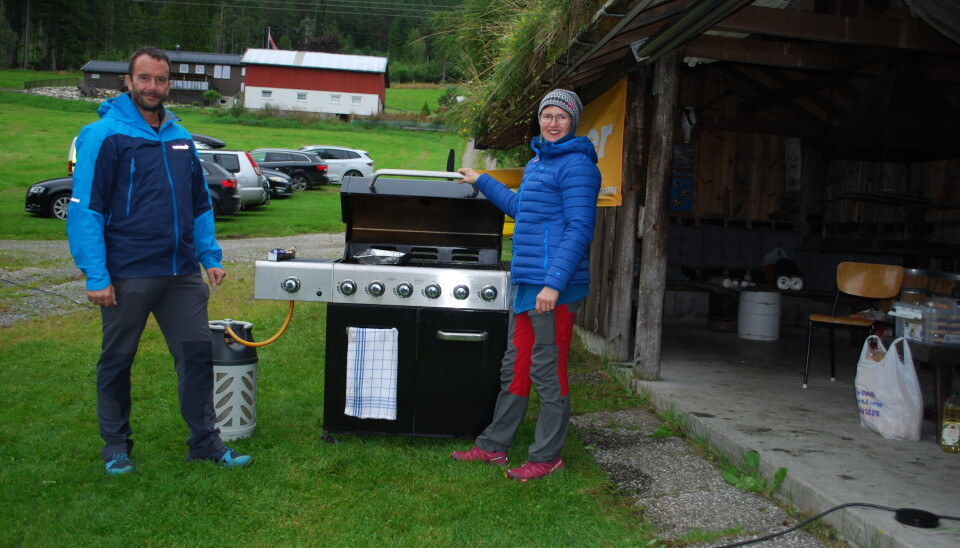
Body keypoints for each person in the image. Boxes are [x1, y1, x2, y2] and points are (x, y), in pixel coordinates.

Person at [67, 46, 252, 475]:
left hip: (182, 274)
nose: (153, 87)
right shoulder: (104, 134)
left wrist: (209, 256)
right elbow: (85, 210)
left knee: (196, 357)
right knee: (117, 360)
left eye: (161, 80)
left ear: (170, 84)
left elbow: (199, 204)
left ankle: (205, 442)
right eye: (145, 78)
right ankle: (116, 446)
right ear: (127, 82)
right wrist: (97, 275)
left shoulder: (179, 138)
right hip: (128, 272)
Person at [453, 89, 601, 481]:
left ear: (573, 122)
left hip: (552, 289)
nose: (552, 123)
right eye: (547, 115)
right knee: (515, 365)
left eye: (561, 117)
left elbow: (580, 229)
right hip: (527, 285)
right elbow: (521, 208)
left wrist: (553, 284)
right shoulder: (539, 161)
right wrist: (482, 179)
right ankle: (493, 447)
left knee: (547, 370)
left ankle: (548, 455)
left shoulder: (578, 166)